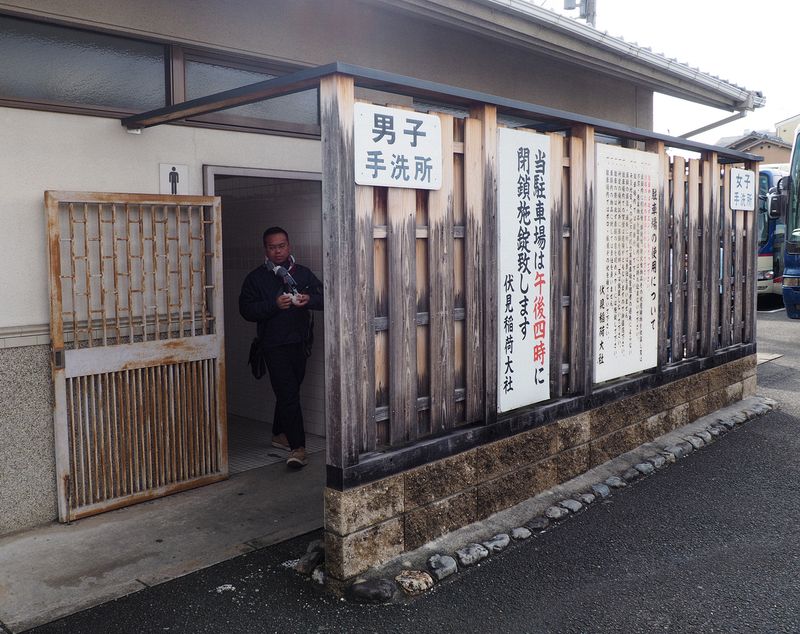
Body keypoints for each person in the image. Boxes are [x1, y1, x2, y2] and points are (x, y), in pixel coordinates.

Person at [239, 227, 323, 469]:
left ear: (289, 246)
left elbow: (324, 297)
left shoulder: (304, 274)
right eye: (272, 247)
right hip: (273, 345)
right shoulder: (256, 278)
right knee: (288, 392)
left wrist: (310, 300)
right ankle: (298, 448)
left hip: (300, 343)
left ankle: (279, 433)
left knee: (290, 390)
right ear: (265, 249)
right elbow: (246, 310)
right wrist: (274, 305)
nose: (278, 251)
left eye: (282, 246)